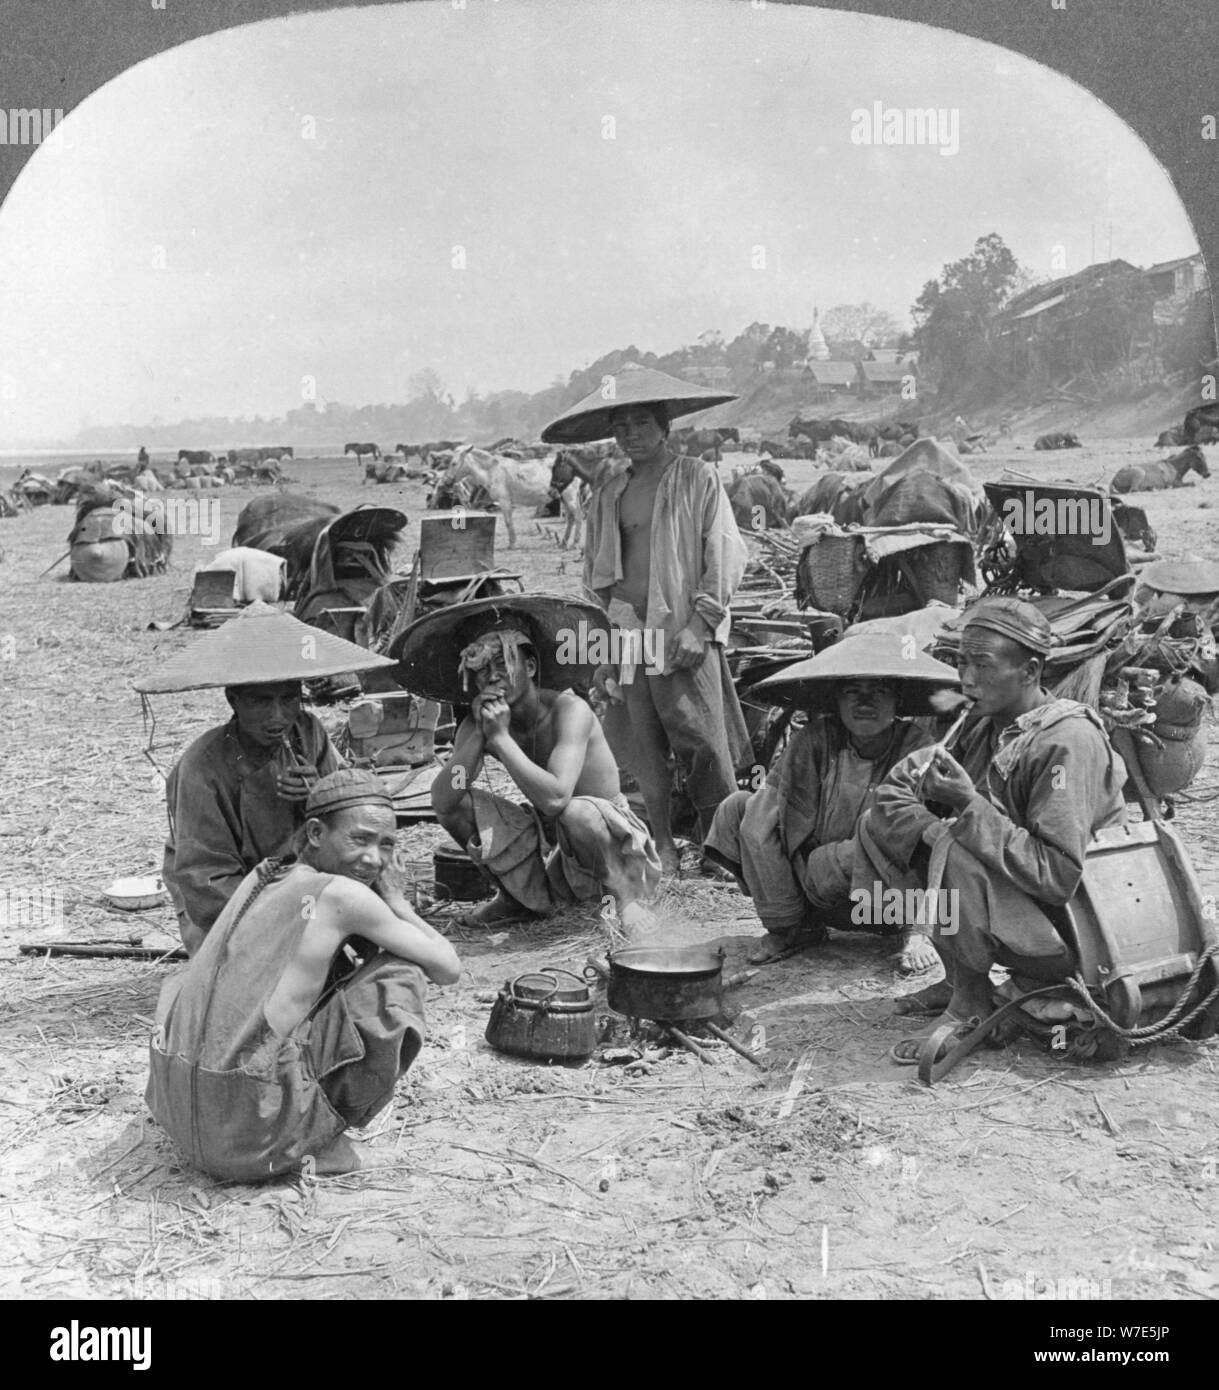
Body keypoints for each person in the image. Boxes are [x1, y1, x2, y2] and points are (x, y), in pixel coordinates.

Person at [848, 599, 1129, 1063]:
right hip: (1026, 909)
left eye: (982, 665)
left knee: (957, 842)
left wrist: (965, 806)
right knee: (883, 826)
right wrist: (930, 829)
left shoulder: (1065, 741)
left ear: (1030, 671)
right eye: (962, 663)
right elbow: (893, 790)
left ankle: (972, 1005)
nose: (967, 680)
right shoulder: (982, 725)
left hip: (1078, 935)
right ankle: (959, 977)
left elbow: (1057, 876)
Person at [147, 769, 460, 1180]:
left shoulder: (264, 877)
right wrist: (398, 901)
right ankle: (313, 1144)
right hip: (249, 1139)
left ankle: (292, 1119)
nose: (374, 859)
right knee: (402, 971)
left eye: (387, 845)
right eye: (359, 839)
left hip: (186, 1117)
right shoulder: (343, 896)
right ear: (315, 832)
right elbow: (448, 967)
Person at [541, 363, 751, 875]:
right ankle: (662, 841)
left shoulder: (696, 477)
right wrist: (601, 644)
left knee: (700, 739)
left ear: (664, 427)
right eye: (621, 427)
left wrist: (701, 624)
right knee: (642, 742)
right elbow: (595, 571)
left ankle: (722, 847)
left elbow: (723, 550)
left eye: (640, 423)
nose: (630, 435)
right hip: (625, 629)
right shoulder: (611, 491)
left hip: (680, 625)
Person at [134, 602, 397, 954]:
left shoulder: (307, 731)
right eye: (261, 702)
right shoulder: (202, 768)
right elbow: (206, 883)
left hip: (301, 880)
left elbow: (351, 817)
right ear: (234, 700)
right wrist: (291, 914)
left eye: (289, 700)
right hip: (231, 902)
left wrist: (319, 796)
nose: (278, 717)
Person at [392, 593, 662, 933]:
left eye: (504, 664)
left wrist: (502, 741)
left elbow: (556, 799)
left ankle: (628, 901)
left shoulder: (569, 711)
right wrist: (479, 737)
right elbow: (445, 800)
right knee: (459, 803)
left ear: (530, 667)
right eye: (481, 670)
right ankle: (517, 899)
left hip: (612, 844)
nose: (493, 678)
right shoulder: (479, 724)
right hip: (560, 853)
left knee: (575, 811)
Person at [704, 635, 957, 967]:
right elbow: (766, 815)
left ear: (897, 701)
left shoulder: (918, 747)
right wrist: (784, 910)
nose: (864, 703)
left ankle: (914, 930)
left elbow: (925, 834)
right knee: (739, 807)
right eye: (853, 691)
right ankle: (794, 929)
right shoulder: (813, 740)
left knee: (893, 827)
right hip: (816, 885)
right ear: (837, 700)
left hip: (882, 896)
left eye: (879, 691)